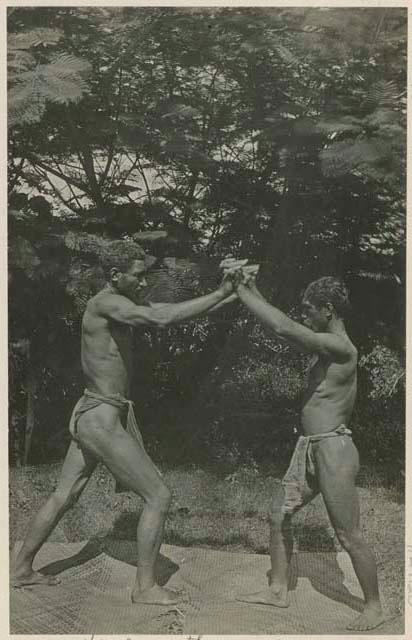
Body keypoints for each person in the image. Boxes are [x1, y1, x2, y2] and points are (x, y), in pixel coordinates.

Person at [12, 242, 241, 606]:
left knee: (64, 495)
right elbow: (162, 319)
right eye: (137, 274)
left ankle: (21, 568)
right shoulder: (107, 304)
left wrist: (230, 294)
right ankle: (145, 588)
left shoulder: (120, 303)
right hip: (99, 420)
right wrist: (220, 292)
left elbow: (163, 309)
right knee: (158, 496)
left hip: (94, 414)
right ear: (116, 275)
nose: (143, 279)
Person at [232, 271, 384, 632]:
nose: (303, 315)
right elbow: (284, 327)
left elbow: (284, 328)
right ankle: (278, 590)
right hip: (310, 449)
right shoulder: (326, 345)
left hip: (333, 448)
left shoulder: (341, 347)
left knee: (348, 535)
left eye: (308, 310)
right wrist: (252, 286)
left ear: (328, 310)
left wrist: (239, 291)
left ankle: (375, 608)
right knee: (279, 515)